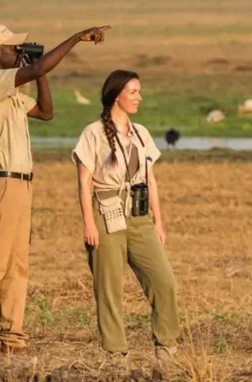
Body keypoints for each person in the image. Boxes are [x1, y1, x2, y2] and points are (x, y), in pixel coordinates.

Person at [0, 22, 109, 354]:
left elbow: (46, 112)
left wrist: (38, 72)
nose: (18, 50)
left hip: (21, 184)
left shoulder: (11, 93)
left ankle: (11, 335)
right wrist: (74, 38)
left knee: (17, 264)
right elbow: (39, 67)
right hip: (1, 182)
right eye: (13, 47)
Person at [73, 69, 179, 361]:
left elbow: (151, 179)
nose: (138, 98)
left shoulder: (141, 133)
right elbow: (83, 181)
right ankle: (115, 350)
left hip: (139, 212)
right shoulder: (92, 133)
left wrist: (159, 221)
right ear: (116, 95)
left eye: (139, 92)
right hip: (106, 211)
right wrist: (88, 223)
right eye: (133, 92)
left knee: (164, 280)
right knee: (109, 286)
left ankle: (167, 343)